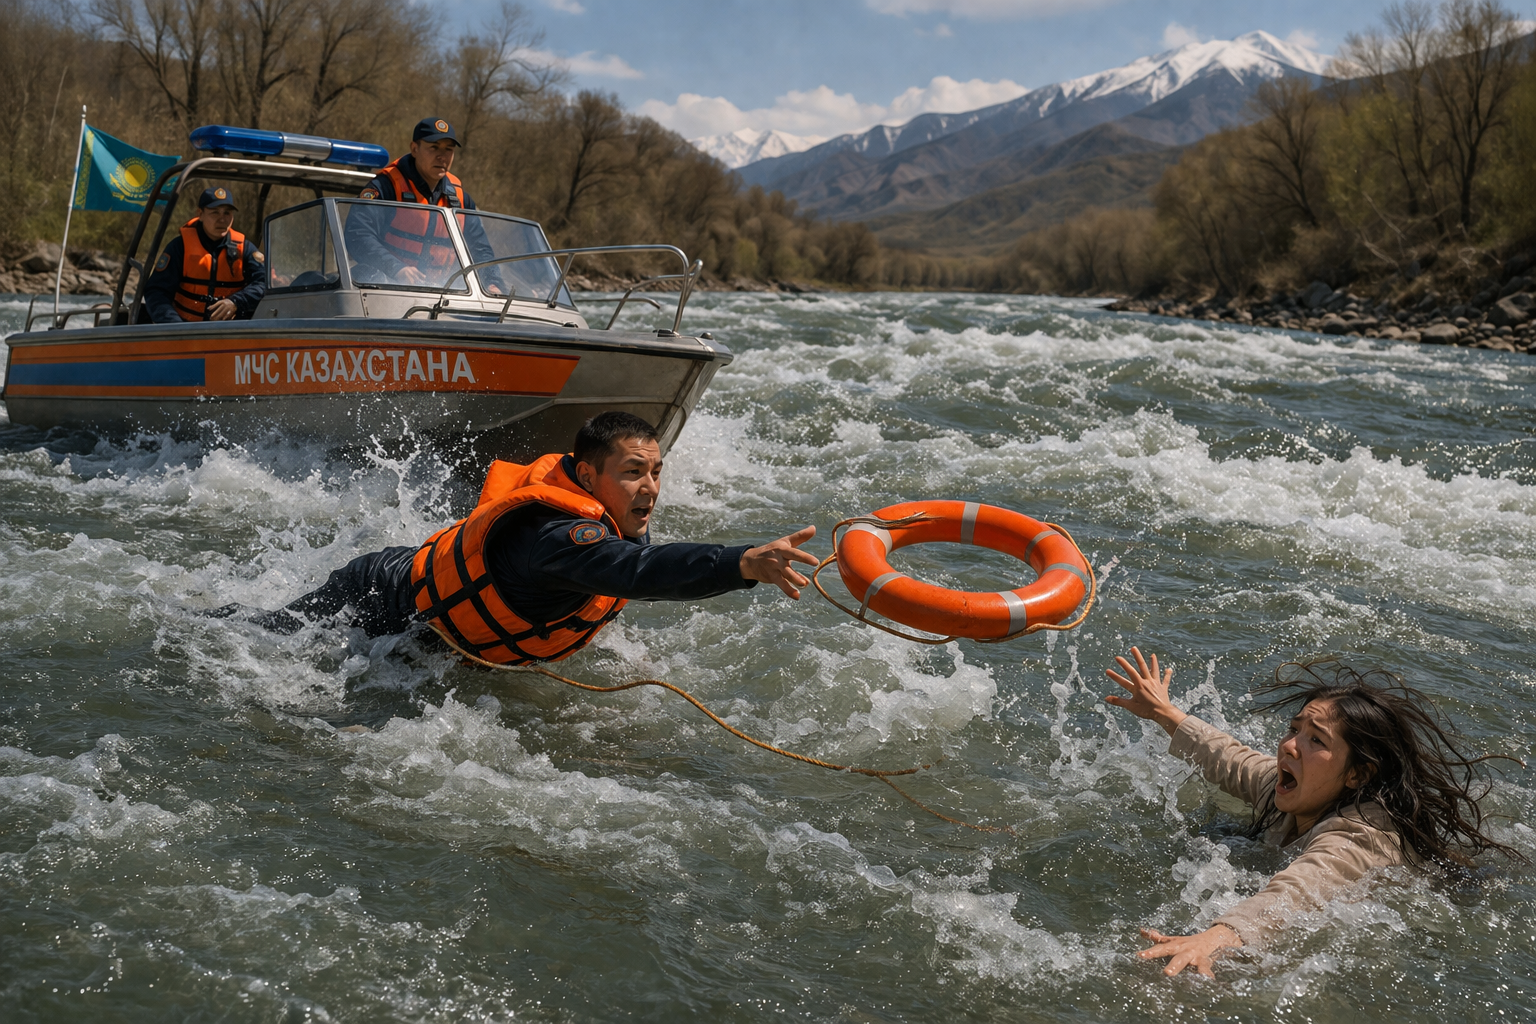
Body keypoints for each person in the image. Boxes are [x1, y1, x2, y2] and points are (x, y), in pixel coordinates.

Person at [249, 412, 817, 664]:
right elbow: (637, 572)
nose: (650, 489)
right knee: (264, 641)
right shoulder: (558, 536)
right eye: (633, 473)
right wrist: (740, 562)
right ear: (589, 475)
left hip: (438, 618)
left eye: (657, 471)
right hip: (376, 594)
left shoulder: (605, 516)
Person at [1104, 648, 1521, 978]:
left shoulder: (1359, 836)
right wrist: (1165, 712)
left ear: (1358, 774)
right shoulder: (1297, 786)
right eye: (1294, 729)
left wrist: (1217, 936)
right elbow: (1230, 758)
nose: (1289, 746)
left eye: (1315, 740)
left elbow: (1298, 893)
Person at [343, 116, 502, 292]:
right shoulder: (386, 187)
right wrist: (396, 268)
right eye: (434, 148)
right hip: (385, 289)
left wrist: (492, 283)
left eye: (449, 149)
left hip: (443, 295)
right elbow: (357, 234)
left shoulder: (461, 199)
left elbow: (481, 250)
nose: (442, 156)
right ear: (414, 149)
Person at [142, 186, 267, 323]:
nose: (222, 219)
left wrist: (235, 302)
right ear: (200, 214)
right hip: (185, 332)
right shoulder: (180, 247)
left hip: (231, 335)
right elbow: (156, 292)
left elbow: (264, 283)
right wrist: (175, 327)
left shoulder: (245, 248)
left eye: (227, 213)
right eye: (215, 213)